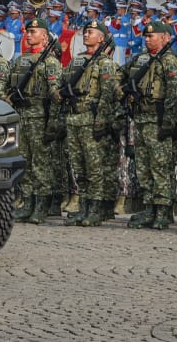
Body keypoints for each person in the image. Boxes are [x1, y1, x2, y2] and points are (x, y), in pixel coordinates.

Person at [122, 18, 177, 231]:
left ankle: (163, 211)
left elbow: (174, 93)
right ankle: (149, 207)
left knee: (160, 167)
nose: (147, 39)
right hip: (140, 118)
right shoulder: (140, 59)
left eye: (151, 36)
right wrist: (121, 88)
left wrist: (169, 122)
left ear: (165, 38)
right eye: (146, 36)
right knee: (144, 167)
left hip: (158, 120)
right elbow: (121, 74)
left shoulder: (169, 61)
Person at [57, 20, 121, 227]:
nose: (86, 35)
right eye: (85, 32)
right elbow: (63, 82)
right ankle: (83, 206)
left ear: (101, 38)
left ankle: (95, 208)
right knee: (79, 167)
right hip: (74, 118)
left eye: (91, 32)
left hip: (91, 120)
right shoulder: (77, 60)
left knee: (95, 168)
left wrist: (101, 120)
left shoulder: (105, 63)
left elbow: (107, 95)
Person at [6, 18, 64, 224]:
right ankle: (28, 202)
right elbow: (9, 87)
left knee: (41, 164)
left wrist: (52, 123)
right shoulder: (20, 60)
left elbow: (56, 97)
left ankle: (41, 204)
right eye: (27, 31)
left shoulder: (50, 63)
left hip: (39, 117)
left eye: (33, 32)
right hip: (21, 116)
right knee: (25, 162)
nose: (28, 35)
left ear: (45, 36)